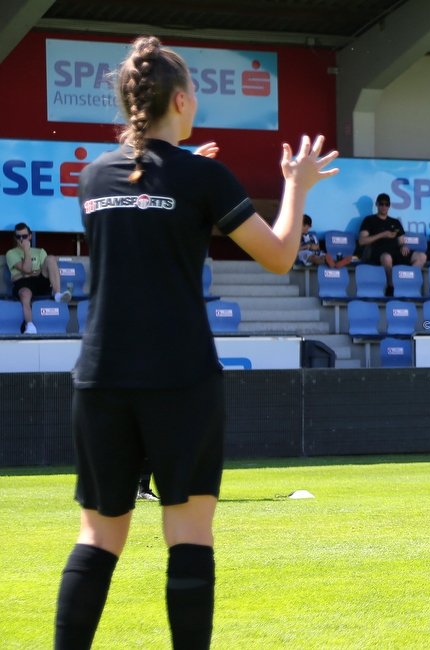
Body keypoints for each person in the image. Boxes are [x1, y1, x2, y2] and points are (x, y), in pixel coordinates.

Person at [54, 36, 339, 650]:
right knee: (187, 534)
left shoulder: (93, 176)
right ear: (181, 100)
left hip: (100, 378)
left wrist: (183, 172)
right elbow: (281, 254)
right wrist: (297, 184)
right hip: (180, 376)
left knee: (98, 538)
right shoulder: (205, 176)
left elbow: (146, 197)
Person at [6, 223, 71, 334]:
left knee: (51, 259)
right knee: (25, 295)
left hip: (39, 282)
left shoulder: (40, 251)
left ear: (30, 236)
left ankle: (57, 294)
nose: (21, 239)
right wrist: (27, 250)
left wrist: (26, 273)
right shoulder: (11, 253)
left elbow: (40, 271)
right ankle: (30, 325)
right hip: (23, 283)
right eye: (18, 237)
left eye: (24, 236)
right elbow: (27, 269)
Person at [358, 193, 426, 296]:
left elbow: (401, 241)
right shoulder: (369, 220)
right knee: (386, 258)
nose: (384, 207)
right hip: (378, 251)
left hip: (395, 251)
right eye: (381, 204)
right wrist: (382, 235)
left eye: (387, 204)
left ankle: (406, 284)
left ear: (389, 205)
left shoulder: (394, 221)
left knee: (421, 256)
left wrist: (403, 245)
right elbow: (362, 241)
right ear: (377, 204)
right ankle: (391, 286)